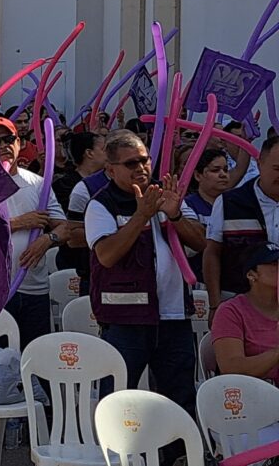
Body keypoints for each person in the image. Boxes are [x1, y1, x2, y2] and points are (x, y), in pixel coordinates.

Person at [85, 129, 205, 463]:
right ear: (111, 170)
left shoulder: (166, 195)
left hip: (174, 317)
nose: (141, 168)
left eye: (145, 160)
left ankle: (175, 458)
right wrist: (141, 216)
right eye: (131, 163)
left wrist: (175, 214)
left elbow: (200, 243)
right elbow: (106, 255)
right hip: (126, 321)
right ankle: (118, 457)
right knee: (119, 399)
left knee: (178, 397)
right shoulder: (102, 205)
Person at [0, 117, 69, 349]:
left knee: (36, 356)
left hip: (34, 287)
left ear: (20, 142)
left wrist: (47, 239)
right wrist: (17, 223)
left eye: (10, 139)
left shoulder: (37, 183)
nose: (5, 145)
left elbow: (64, 228)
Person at [204, 136, 279, 322]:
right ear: (259, 164)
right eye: (277, 169)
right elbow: (212, 253)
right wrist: (215, 304)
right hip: (238, 303)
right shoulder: (230, 202)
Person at [212, 241, 279, 385]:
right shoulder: (231, 311)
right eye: (273, 263)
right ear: (251, 275)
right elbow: (231, 368)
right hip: (251, 398)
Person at [53, 132, 107, 283]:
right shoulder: (64, 186)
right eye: (104, 149)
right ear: (89, 153)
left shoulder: (112, 184)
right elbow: (70, 231)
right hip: (77, 264)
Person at [182, 149, 229, 282]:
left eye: (226, 169)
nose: (223, 175)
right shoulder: (186, 205)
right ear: (198, 175)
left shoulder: (236, 205)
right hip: (198, 282)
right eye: (215, 170)